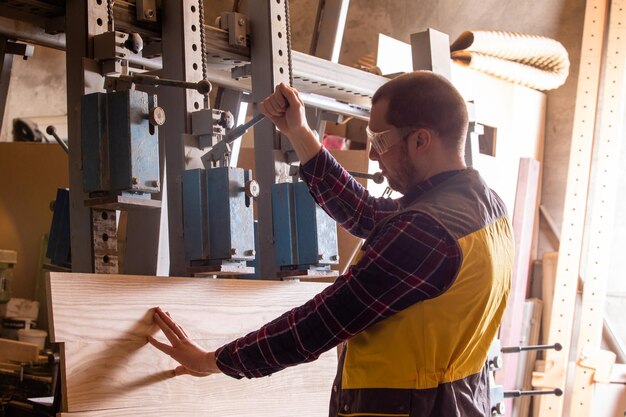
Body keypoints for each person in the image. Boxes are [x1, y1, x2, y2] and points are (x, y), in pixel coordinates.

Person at [149, 71, 514, 417]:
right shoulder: (482, 206)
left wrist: (212, 361)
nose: (372, 156)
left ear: (421, 140)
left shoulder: (426, 232)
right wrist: (300, 133)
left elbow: (315, 326)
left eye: (380, 141)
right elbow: (368, 214)